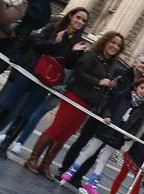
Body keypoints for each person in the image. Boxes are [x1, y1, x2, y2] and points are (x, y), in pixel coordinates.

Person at [0, 5, 89, 150]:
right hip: (32, 69)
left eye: (83, 20)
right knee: (8, 103)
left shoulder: (79, 43)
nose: (79, 21)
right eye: (78, 17)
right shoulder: (53, 28)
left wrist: (73, 52)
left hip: (48, 80)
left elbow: (70, 65)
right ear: (71, 16)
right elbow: (36, 44)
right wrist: (55, 42)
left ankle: (5, 145)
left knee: (27, 112)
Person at [25, 31, 125, 177]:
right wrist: (98, 82)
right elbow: (79, 73)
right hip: (75, 97)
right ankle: (32, 159)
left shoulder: (110, 66)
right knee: (56, 129)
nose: (114, 46)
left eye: (118, 45)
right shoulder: (91, 55)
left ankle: (45, 165)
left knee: (65, 135)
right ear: (106, 41)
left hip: (88, 104)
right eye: (112, 42)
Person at [61, 77, 144, 194]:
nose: (143, 91)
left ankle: (92, 182)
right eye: (142, 88)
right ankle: (71, 170)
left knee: (104, 158)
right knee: (90, 151)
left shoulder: (142, 109)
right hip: (107, 128)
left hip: (118, 136)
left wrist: (129, 135)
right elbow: (109, 107)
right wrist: (107, 116)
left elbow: (136, 126)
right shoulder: (122, 95)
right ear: (136, 87)